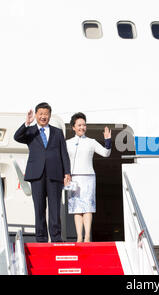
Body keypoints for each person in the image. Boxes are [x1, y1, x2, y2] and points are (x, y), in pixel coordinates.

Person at [14, 102, 71, 243]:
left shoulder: (57, 132)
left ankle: (56, 238)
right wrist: (27, 123)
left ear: (50, 115)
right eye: (41, 114)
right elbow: (17, 137)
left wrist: (67, 173)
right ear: (36, 115)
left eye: (46, 114)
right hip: (36, 174)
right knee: (39, 207)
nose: (43, 117)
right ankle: (41, 238)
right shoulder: (31, 131)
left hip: (55, 174)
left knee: (55, 207)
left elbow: (64, 153)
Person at [66, 112, 111, 242]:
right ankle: (79, 236)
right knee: (76, 209)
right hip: (73, 178)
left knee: (88, 208)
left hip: (88, 177)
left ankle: (87, 236)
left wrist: (107, 141)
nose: (82, 127)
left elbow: (106, 153)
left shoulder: (91, 142)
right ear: (73, 127)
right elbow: (62, 159)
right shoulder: (67, 143)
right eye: (79, 125)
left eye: (84, 125)